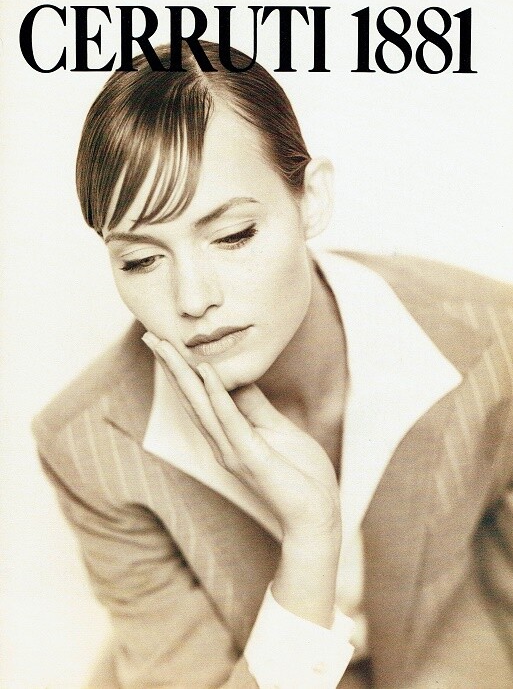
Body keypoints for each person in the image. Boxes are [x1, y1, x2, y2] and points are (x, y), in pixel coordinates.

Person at [32, 41, 513, 689]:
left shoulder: (493, 338)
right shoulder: (89, 442)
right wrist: (310, 539)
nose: (193, 299)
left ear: (310, 198)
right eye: (141, 259)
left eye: (232, 235)